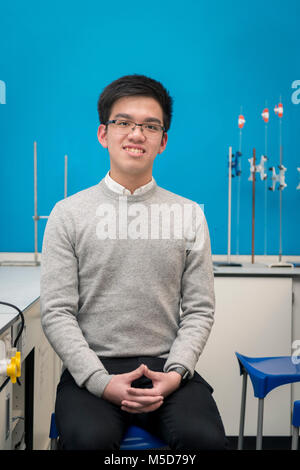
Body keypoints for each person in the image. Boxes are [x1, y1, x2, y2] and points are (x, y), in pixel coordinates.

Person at [40, 74, 228, 450]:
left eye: (150, 126)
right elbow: (57, 312)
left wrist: (175, 373)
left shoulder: (189, 215)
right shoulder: (68, 214)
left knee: (204, 440)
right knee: (89, 441)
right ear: (103, 133)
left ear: (163, 141)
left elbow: (199, 310)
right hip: (93, 369)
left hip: (166, 368)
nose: (136, 134)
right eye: (123, 122)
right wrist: (99, 380)